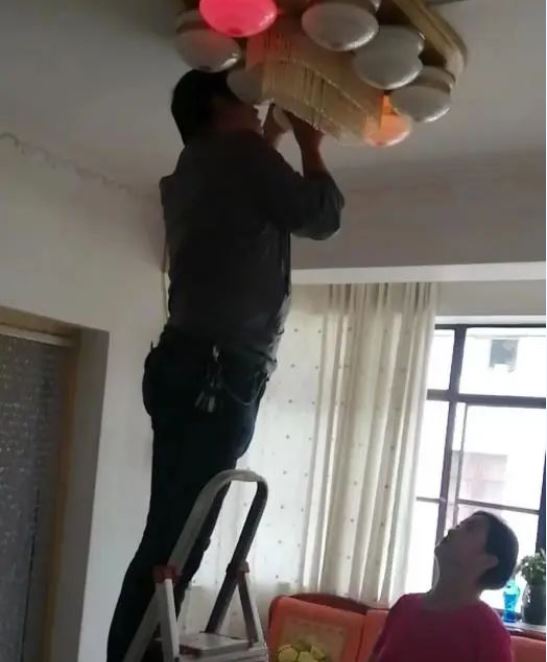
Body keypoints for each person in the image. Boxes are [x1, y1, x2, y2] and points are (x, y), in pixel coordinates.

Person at [107, 70, 344, 661]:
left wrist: (275, 141)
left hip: (191, 365)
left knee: (169, 530)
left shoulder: (194, 167)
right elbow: (320, 214)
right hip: (216, 373)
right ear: (217, 107)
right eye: (245, 96)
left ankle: (131, 652)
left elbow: (256, 196)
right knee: (179, 539)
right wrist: (310, 144)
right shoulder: (239, 156)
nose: (258, 104)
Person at [369, 511, 519, 662]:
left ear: (487, 561)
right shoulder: (404, 606)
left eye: (469, 528)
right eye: (459, 525)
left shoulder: (489, 631)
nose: (452, 530)